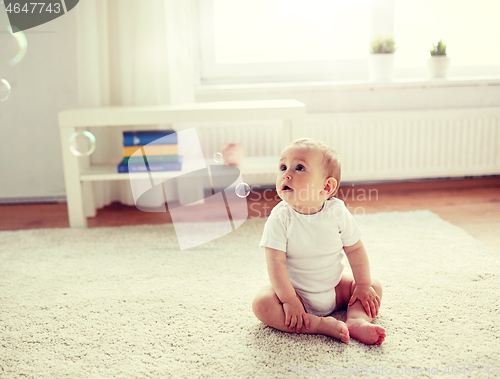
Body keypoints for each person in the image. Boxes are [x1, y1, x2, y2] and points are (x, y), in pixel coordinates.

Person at [252, 138, 386, 345]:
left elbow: (355, 250)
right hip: (296, 293)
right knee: (262, 304)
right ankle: (317, 325)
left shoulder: (337, 212)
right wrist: (289, 300)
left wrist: (362, 284)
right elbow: (275, 263)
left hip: (334, 289)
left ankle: (357, 320)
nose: (286, 174)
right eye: (283, 167)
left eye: (299, 168)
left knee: (372, 286)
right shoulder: (280, 218)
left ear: (327, 186)